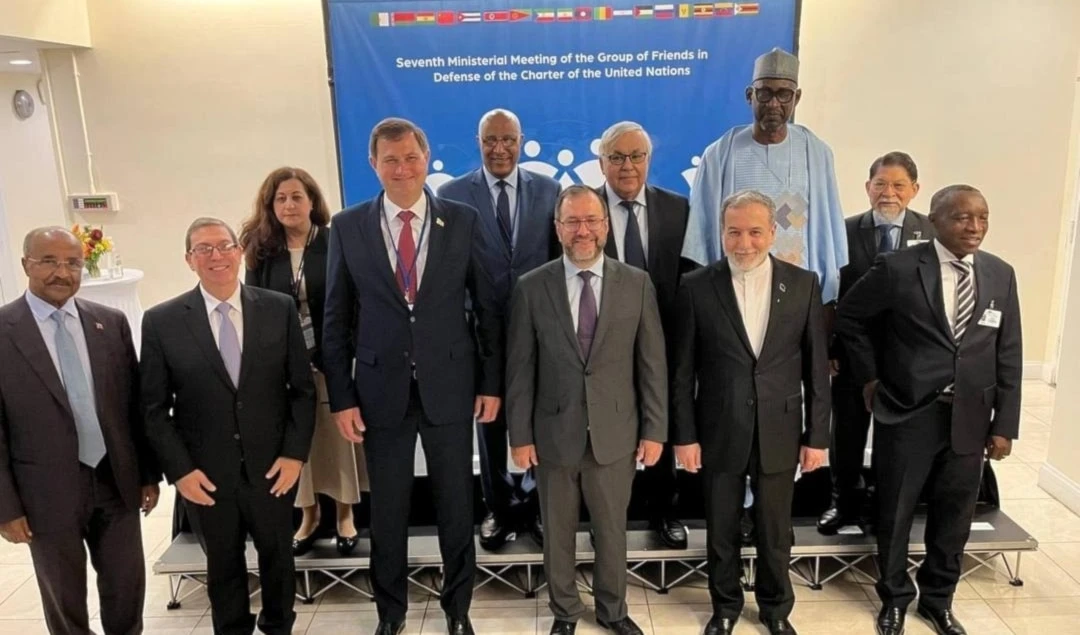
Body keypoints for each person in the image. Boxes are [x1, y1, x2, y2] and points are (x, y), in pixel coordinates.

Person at [323, 117, 503, 635]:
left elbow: (487, 308)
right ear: (373, 165)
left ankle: (458, 611)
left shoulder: (462, 219)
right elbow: (335, 317)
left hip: (450, 387)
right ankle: (391, 613)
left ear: (426, 160)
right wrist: (341, 396)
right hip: (380, 392)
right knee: (389, 514)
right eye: (390, 160)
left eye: (411, 158)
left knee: (455, 507)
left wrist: (489, 383)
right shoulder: (348, 226)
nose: (402, 169)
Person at [836, 185, 1022, 635]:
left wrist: (1005, 425)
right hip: (907, 411)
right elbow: (850, 317)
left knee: (954, 515)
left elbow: (1009, 352)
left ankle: (938, 600)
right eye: (962, 218)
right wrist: (871, 379)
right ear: (934, 220)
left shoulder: (1000, 274)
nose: (974, 227)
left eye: (982, 217)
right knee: (895, 511)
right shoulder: (898, 267)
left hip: (971, 418)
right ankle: (895, 598)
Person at [141, 217, 315, 635]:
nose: (216, 255)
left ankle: (278, 627)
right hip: (205, 474)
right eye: (204, 249)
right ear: (189, 260)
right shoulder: (162, 321)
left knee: (278, 562)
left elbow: (303, 392)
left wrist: (294, 455)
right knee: (223, 568)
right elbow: (152, 408)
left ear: (239, 252)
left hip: (272, 468)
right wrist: (180, 472)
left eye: (224, 246)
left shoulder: (278, 308)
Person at [507, 185, 667, 635]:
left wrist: (655, 431)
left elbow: (652, 364)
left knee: (612, 531)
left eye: (592, 221)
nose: (583, 231)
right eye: (572, 222)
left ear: (605, 225)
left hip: (616, 434)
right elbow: (520, 370)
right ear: (558, 228)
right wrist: (519, 436)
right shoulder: (531, 287)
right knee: (557, 533)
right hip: (554, 435)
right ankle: (564, 612)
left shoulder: (636, 283)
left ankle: (613, 611)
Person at [671, 191, 830, 635]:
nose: (744, 243)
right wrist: (684, 436)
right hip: (719, 428)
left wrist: (817, 437)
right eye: (734, 231)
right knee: (720, 529)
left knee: (775, 530)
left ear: (772, 233)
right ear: (721, 232)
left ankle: (776, 609)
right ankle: (724, 607)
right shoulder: (696, 286)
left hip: (781, 429)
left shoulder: (803, 284)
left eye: (755, 231)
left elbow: (817, 370)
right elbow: (682, 372)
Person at [0, 227, 160, 635]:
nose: (62, 272)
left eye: (72, 263)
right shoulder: (4, 331)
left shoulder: (109, 323)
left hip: (115, 483)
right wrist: (6, 507)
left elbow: (132, 407)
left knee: (126, 592)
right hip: (43, 494)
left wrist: (146, 475)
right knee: (64, 600)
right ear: (26, 265)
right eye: (49, 261)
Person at [438, 108, 560, 550]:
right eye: (490, 140)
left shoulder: (549, 191)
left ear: (522, 140)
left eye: (507, 139)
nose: (499, 148)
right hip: (479, 333)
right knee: (489, 424)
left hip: (540, 330)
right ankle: (500, 509)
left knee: (541, 421)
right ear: (478, 141)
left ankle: (541, 506)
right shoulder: (451, 194)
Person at [240, 166, 369, 556]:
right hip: (284, 363)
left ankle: (345, 515)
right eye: (280, 198)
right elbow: (254, 307)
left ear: (313, 202)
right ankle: (309, 516)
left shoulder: (335, 242)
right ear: (270, 205)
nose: (289, 204)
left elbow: (354, 302)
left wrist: (334, 354)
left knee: (337, 437)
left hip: (334, 359)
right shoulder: (261, 250)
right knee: (300, 440)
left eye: (297, 196)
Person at [819, 151, 935, 534]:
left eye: (899, 185)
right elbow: (831, 295)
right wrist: (831, 348)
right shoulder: (843, 230)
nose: (889, 193)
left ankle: (886, 506)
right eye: (880, 184)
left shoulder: (932, 234)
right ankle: (843, 502)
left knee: (899, 437)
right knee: (848, 433)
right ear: (867, 187)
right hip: (854, 352)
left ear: (914, 190)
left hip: (909, 356)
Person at [683, 47, 847, 305]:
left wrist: (825, 301)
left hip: (799, 293)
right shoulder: (719, 154)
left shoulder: (817, 153)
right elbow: (700, 238)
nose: (773, 104)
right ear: (750, 95)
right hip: (736, 293)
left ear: (797, 98)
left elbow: (828, 235)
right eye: (765, 93)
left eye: (784, 94)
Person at [594, 120, 691, 549]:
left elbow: (690, 279)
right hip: (600, 344)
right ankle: (604, 519)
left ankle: (663, 512)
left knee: (660, 424)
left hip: (664, 342)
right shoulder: (581, 210)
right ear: (601, 163)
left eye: (636, 156)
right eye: (616, 157)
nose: (627, 165)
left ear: (649, 160)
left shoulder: (678, 209)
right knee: (605, 432)